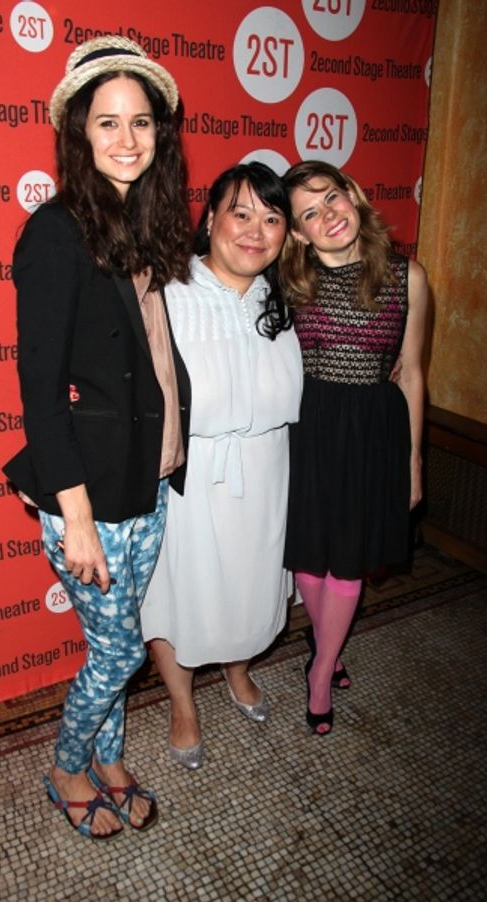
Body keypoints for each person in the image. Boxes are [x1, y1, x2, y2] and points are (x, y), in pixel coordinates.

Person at [3, 36, 192, 837]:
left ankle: (111, 758)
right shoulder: (56, 233)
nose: (126, 140)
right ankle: (66, 765)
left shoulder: (142, 221)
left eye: (141, 122)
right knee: (115, 653)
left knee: (112, 639)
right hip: (88, 494)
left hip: (145, 480)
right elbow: (40, 395)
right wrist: (75, 517)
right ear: (79, 134)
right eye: (107, 123)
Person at [140, 162, 303, 768]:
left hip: (267, 470)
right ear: (210, 220)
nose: (256, 230)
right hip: (190, 475)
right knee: (176, 594)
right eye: (241, 213)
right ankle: (183, 704)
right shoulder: (167, 293)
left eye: (271, 217)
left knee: (251, 586)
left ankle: (237, 670)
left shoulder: (286, 299)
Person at [279, 160, 428, 736]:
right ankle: (329, 647)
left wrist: (412, 461)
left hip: (372, 429)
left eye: (330, 198)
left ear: (353, 195)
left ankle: (320, 671)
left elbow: (412, 374)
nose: (327, 216)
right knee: (309, 553)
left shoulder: (405, 276)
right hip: (309, 425)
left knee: (348, 556)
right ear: (297, 232)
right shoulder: (289, 281)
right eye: (308, 213)